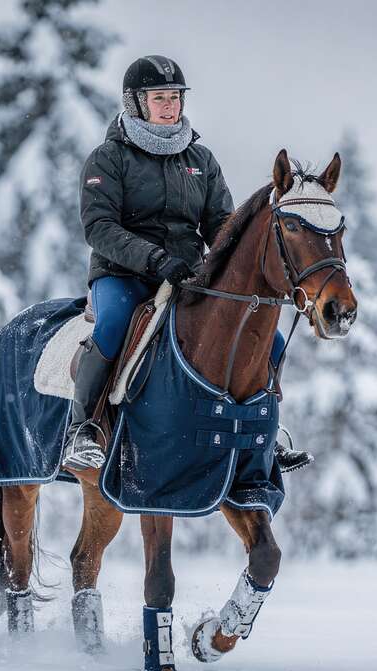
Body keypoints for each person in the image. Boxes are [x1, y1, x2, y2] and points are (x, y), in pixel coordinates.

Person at [62, 54, 311, 474]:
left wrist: (232, 267)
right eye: (159, 97)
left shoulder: (202, 160)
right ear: (136, 103)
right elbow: (100, 227)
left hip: (189, 275)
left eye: (175, 97)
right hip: (123, 273)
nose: (170, 105)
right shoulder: (108, 158)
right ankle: (83, 428)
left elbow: (221, 225)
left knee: (270, 338)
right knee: (111, 325)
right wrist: (154, 258)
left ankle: (267, 429)